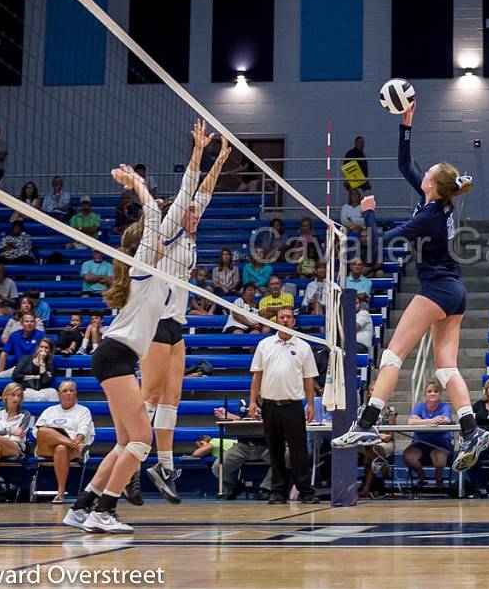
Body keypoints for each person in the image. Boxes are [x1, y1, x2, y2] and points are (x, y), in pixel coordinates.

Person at [332, 102, 489, 477]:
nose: (426, 169)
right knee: (447, 366)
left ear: (433, 184)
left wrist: (368, 211)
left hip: (436, 290)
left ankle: (367, 425)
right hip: (455, 291)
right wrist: (406, 125)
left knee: (392, 356)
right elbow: (406, 165)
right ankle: (471, 431)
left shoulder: (428, 216)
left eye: (431, 171)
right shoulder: (439, 202)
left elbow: (376, 246)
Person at [62, 164, 170, 534]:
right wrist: (137, 182)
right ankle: (104, 511)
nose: (162, 243)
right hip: (115, 355)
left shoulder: (154, 276)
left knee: (126, 441)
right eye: (157, 240)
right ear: (145, 245)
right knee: (142, 440)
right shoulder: (141, 270)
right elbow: (153, 213)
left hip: (117, 356)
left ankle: (81, 507)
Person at [141, 122, 231, 505]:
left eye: (196, 210)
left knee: (171, 400)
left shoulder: (191, 234)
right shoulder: (170, 227)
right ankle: (128, 461)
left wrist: (223, 158)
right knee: (149, 399)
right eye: (191, 209)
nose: (197, 209)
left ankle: (162, 466)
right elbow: (190, 186)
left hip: (176, 325)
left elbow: (205, 190)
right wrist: (199, 150)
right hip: (155, 323)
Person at [247, 306, 321, 504]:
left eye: (289, 317)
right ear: (275, 321)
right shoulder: (264, 345)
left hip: (293, 405)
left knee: (299, 451)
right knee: (275, 449)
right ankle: (278, 491)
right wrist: (253, 401)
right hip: (270, 406)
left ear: (294, 321)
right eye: (282, 317)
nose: (285, 320)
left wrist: (311, 405)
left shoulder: (304, 347)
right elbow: (257, 375)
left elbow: (308, 379)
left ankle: (306, 491)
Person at [33, 380, 94, 504]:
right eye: (65, 391)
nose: (68, 393)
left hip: (72, 448)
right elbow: (37, 431)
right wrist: (60, 439)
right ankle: (67, 442)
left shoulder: (83, 410)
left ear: (76, 393)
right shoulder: (50, 410)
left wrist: (77, 440)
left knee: (61, 448)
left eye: (71, 390)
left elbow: (84, 428)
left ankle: (61, 491)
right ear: (59, 394)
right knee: (44, 430)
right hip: (47, 447)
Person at [203, 405, 273, 500]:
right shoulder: (245, 403)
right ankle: (233, 487)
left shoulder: (275, 401)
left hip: (269, 446)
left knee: (285, 458)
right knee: (218, 466)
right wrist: (226, 415)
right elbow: (238, 418)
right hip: (243, 446)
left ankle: (266, 489)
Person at [403, 380, 453, 490]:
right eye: (429, 391)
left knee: (439, 458)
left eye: (436, 391)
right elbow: (411, 421)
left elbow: (446, 420)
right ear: (425, 394)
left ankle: (439, 480)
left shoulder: (445, 407)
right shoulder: (419, 406)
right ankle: (421, 477)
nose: (432, 393)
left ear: (440, 394)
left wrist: (421, 420)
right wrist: (432, 420)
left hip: (440, 443)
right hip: (420, 443)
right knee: (408, 456)